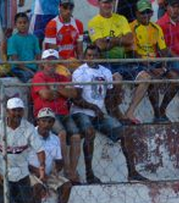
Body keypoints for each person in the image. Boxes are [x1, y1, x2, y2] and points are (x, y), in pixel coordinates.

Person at [70, 44, 149, 183]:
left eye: (94, 55)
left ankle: (132, 172)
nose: (92, 58)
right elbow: (76, 98)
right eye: (88, 55)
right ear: (84, 56)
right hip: (81, 112)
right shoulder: (79, 72)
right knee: (89, 132)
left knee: (124, 133)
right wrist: (94, 108)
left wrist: (113, 114)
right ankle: (89, 174)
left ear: (99, 57)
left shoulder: (106, 72)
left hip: (99, 113)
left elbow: (109, 97)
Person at [31, 48, 82, 184]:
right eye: (49, 61)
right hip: (46, 113)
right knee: (62, 133)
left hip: (63, 112)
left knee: (76, 136)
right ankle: (65, 168)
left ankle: (72, 170)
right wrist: (62, 91)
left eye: (54, 61)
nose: (51, 64)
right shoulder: (39, 77)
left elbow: (74, 93)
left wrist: (55, 89)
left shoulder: (62, 77)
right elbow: (45, 95)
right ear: (43, 63)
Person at [87, 0, 141, 121]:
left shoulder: (121, 19)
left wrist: (110, 41)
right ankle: (114, 112)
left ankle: (130, 112)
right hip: (105, 63)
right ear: (98, 4)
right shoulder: (94, 22)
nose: (108, 5)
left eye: (110, 2)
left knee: (146, 78)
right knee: (117, 80)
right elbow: (100, 46)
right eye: (105, 2)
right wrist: (119, 40)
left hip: (122, 61)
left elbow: (130, 39)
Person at [0, 97, 44, 203]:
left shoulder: (28, 128)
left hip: (22, 173)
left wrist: (42, 168)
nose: (17, 114)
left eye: (20, 110)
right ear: (7, 111)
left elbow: (39, 149)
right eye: (14, 110)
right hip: (2, 173)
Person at [130, 0, 179, 123]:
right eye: (143, 13)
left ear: (152, 13)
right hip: (139, 62)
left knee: (178, 80)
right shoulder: (131, 27)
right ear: (136, 13)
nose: (146, 15)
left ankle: (163, 109)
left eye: (148, 12)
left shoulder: (156, 27)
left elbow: (162, 49)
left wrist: (163, 68)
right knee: (153, 81)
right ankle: (157, 113)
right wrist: (152, 70)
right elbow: (134, 54)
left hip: (155, 62)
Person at [28, 108, 72, 203]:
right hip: (30, 172)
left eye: (50, 121)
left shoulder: (55, 139)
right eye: (43, 121)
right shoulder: (29, 135)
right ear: (37, 121)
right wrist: (37, 171)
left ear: (53, 123)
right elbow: (22, 160)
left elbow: (58, 161)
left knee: (66, 185)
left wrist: (57, 169)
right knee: (37, 187)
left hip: (47, 173)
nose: (46, 124)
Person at [42, 0, 84, 67]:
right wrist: (66, 63)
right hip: (56, 63)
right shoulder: (52, 25)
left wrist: (81, 65)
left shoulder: (78, 24)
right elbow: (52, 53)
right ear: (59, 7)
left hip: (73, 61)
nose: (68, 11)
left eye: (70, 8)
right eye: (65, 7)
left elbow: (80, 52)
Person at [6, 12, 41, 83]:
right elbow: (15, 61)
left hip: (32, 68)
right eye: (20, 23)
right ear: (15, 25)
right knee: (26, 76)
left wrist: (38, 70)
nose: (22, 25)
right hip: (18, 69)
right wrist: (30, 71)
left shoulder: (34, 38)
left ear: (28, 23)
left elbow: (38, 57)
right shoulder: (12, 40)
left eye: (25, 22)